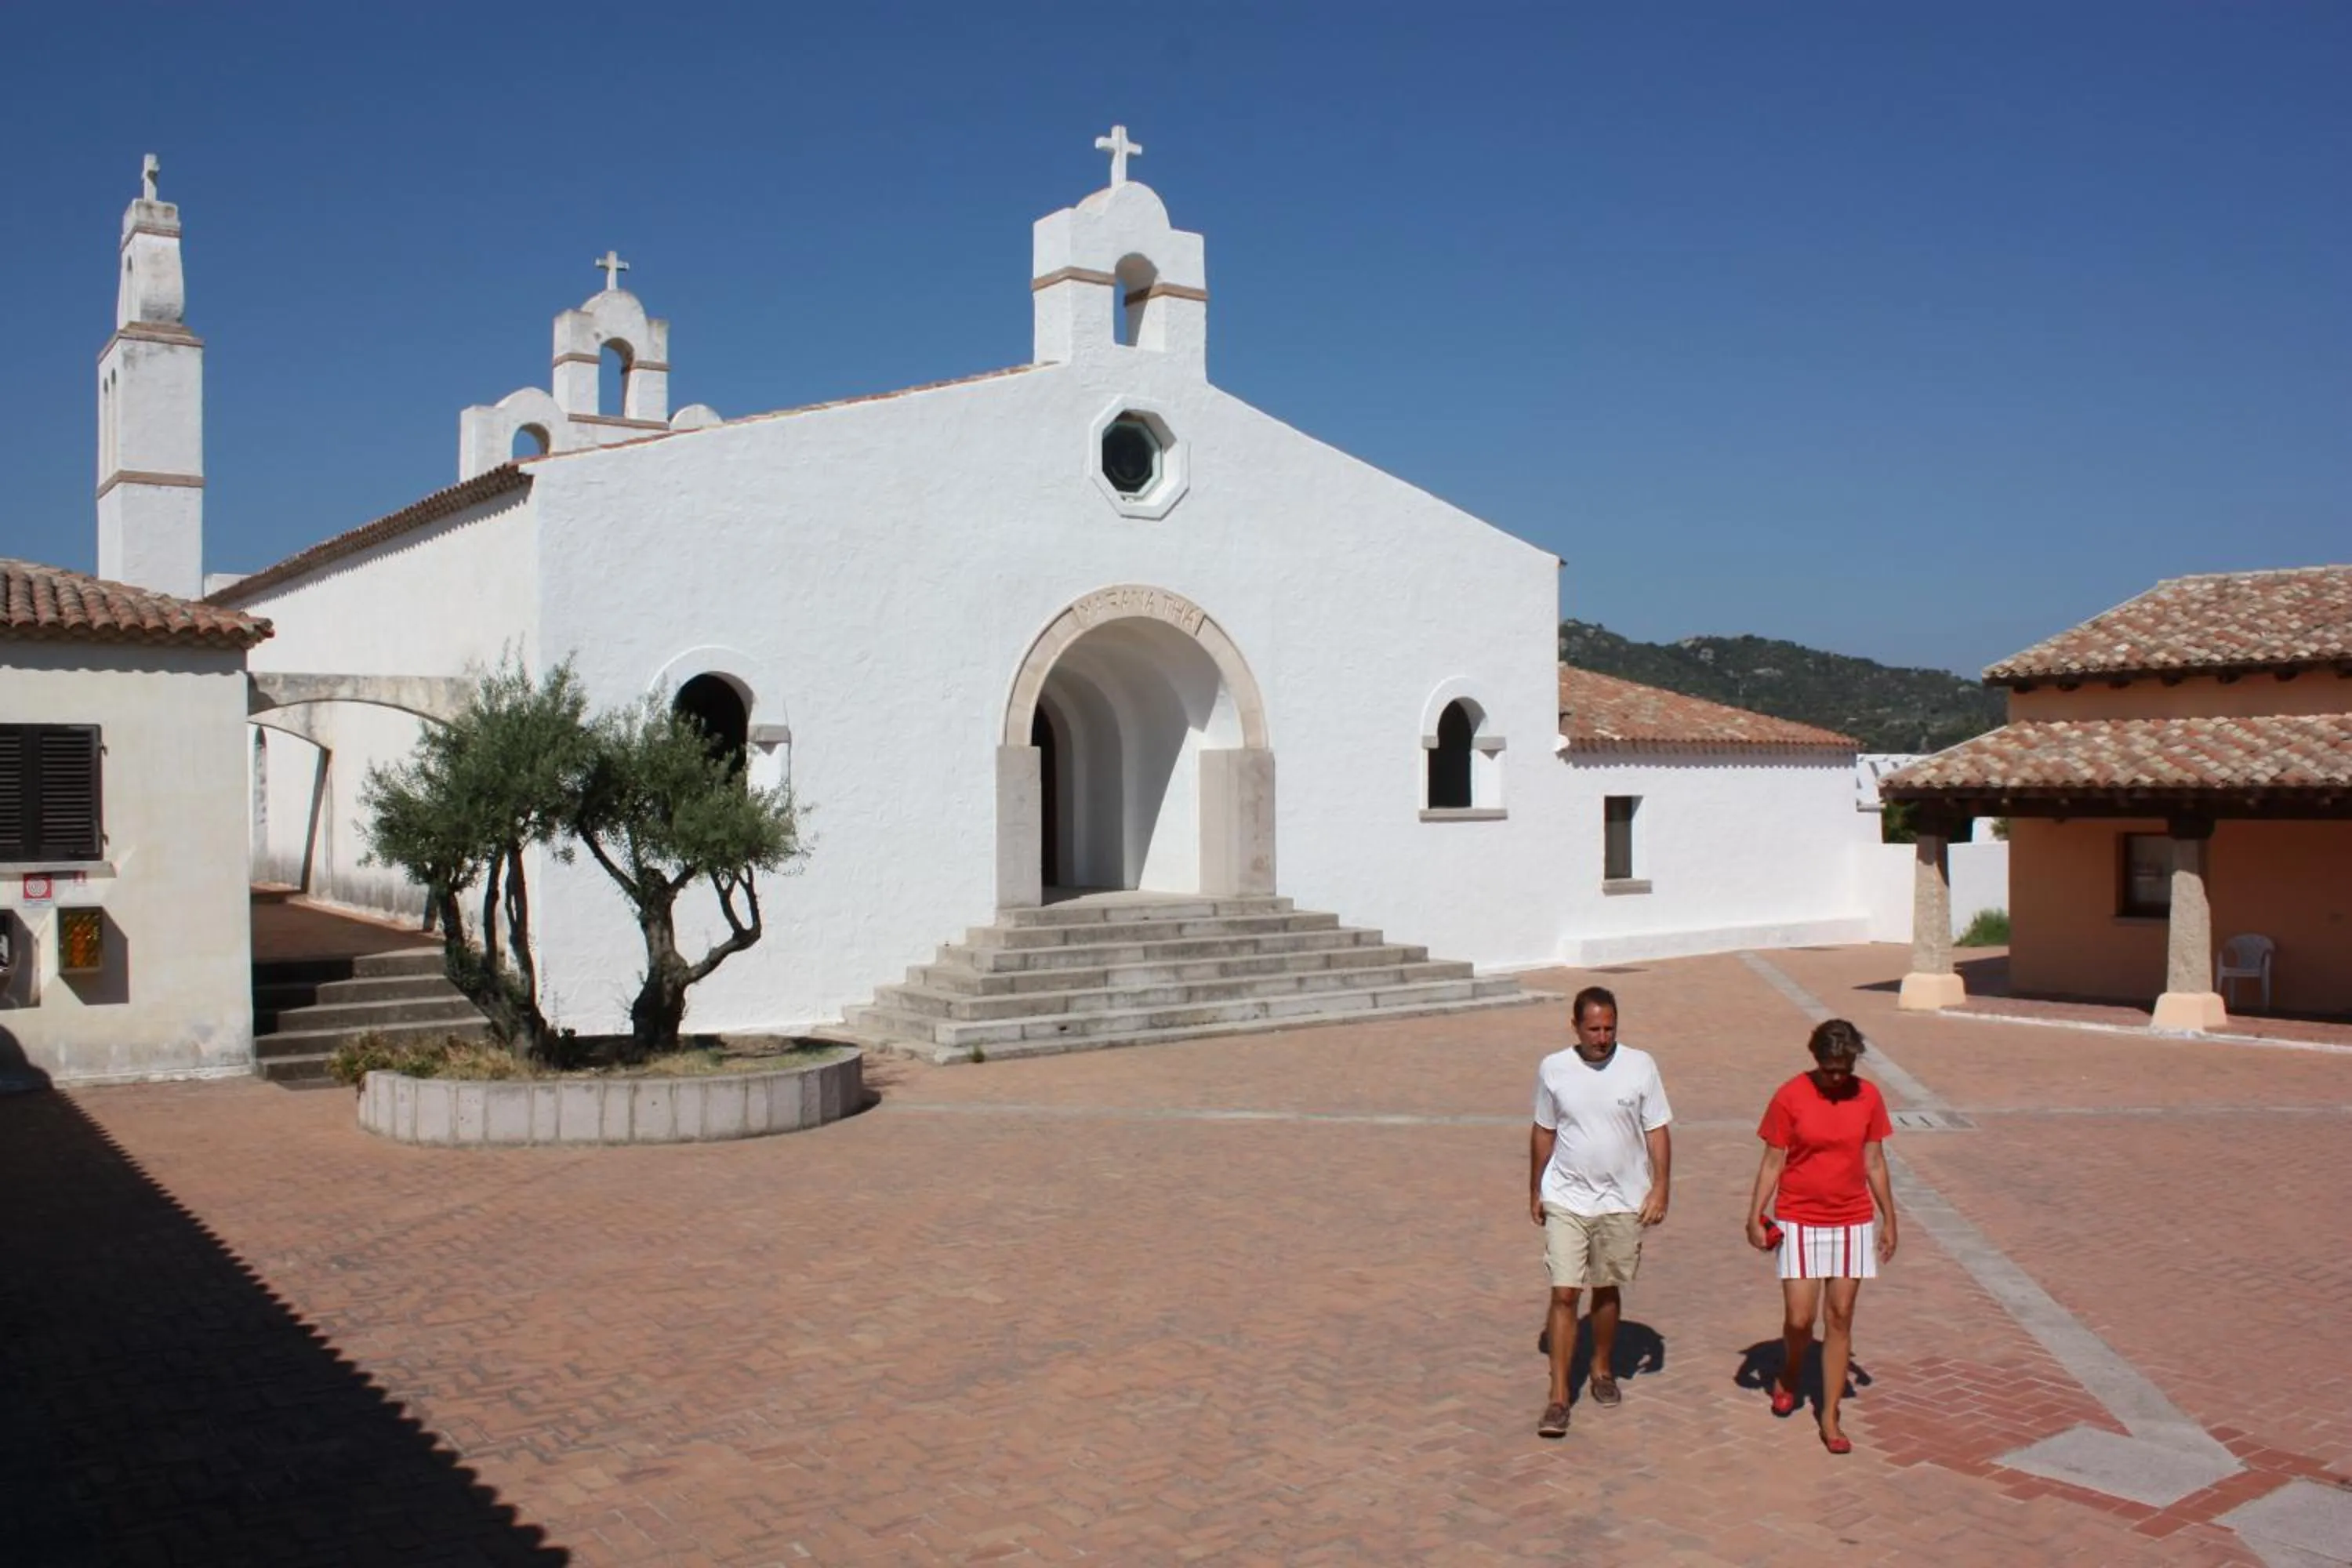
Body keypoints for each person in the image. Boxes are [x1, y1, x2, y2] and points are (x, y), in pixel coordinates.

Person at [1744, 1017, 1898, 1454]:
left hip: (1851, 1218)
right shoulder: (1790, 1096)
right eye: (1830, 1068)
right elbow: (1773, 1161)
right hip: (1798, 1217)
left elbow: (1875, 1162)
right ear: (1816, 1059)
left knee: (1840, 1316)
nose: (1837, 1077)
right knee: (1799, 1318)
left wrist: (1890, 1218)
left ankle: (1830, 1416)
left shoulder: (1869, 1097)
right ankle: (1791, 1370)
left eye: (1844, 1068)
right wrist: (1755, 1213)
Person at [1529, 985, 1672, 1438]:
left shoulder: (1640, 1066)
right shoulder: (1554, 1068)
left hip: (1622, 1198)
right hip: (1567, 1196)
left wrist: (1661, 1188)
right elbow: (1542, 1131)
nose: (1603, 1037)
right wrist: (1535, 1189)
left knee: (1606, 1288)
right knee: (1565, 1292)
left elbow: (1658, 1131)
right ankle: (1557, 1398)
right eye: (1593, 1028)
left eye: (1610, 1028)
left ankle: (1602, 1368)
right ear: (1575, 1026)